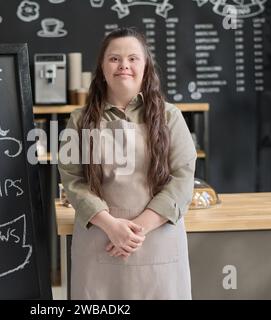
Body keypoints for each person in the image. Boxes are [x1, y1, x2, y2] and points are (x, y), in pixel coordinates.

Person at [58, 27, 196, 300]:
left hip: (157, 241)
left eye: (133, 58)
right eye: (114, 58)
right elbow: (73, 180)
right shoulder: (79, 120)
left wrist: (135, 231)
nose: (124, 66)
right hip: (100, 239)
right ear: (102, 66)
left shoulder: (170, 117)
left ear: (146, 66)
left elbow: (183, 178)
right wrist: (112, 227)